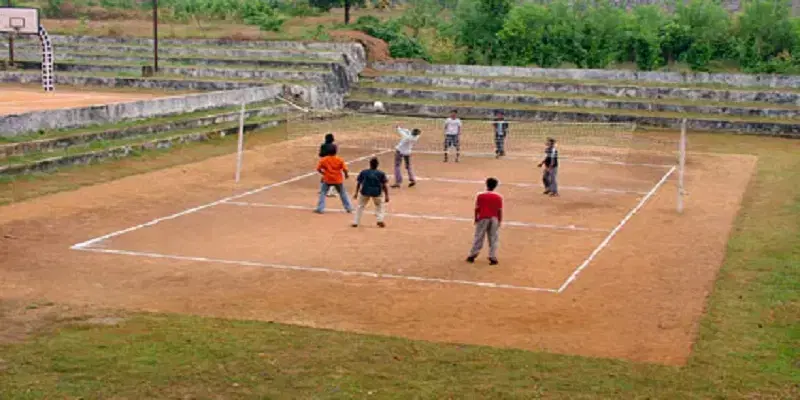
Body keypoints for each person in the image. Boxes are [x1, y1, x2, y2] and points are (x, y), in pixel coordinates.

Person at [466, 177, 503, 265]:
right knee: (493, 238)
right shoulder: (498, 197)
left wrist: (476, 218)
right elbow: (499, 210)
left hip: (483, 217)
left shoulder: (480, 195)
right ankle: (492, 256)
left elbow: (477, 208)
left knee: (479, 236)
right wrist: (499, 220)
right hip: (494, 218)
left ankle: (472, 255)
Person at [352, 157, 390, 228]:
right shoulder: (381, 173)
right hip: (377, 192)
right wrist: (387, 195)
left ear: (370, 164)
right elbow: (384, 185)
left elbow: (359, 183)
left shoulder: (364, 172)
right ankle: (380, 220)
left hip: (365, 191)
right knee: (380, 206)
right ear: (377, 165)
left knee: (360, 206)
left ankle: (355, 221)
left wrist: (356, 193)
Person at [315, 146, 353, 213]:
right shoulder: (339, 160)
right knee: (342, 193)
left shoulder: (324, 160)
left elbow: (318, 169)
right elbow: (345, 169)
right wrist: (346, 175)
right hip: (337, 179)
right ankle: (348, 208)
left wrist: (323, 173)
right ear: (336, 152)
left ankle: (320, 208)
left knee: (323, 193)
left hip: (327, 179)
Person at [319, 133, 338, 197]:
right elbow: (334, 154)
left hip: (323, 162)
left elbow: (320, 154)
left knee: (324, 175)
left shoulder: (323, 145)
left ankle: (322, 189)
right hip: (331, 162)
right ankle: (330, 192)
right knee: (333, 177)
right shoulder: (334, 146)